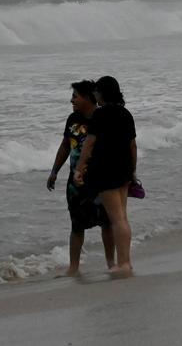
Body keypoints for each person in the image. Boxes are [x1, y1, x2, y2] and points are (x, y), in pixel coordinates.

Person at [47, 80, 115, 276]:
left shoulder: (102, 118)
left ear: (87, 97)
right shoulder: (72, 119)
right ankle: (73, 268)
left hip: (100, 180)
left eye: (75, 96)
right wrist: (54, 171)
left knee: (107, 222)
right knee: (76, 225)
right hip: (75, 183)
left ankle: (111, 263)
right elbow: (65, 146)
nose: (72, 100)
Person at [74, 76, 137, 278]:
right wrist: (133, 170)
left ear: (102, 93)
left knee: (116, 219)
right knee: (123, 218)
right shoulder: (126, 114)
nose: (95, 95)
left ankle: (124, 263)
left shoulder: (101, 115)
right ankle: (126, 262)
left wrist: (79, 167)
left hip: (106, 171)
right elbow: (132, 146)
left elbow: (89, 143)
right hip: (124, 169)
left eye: (97, 92)